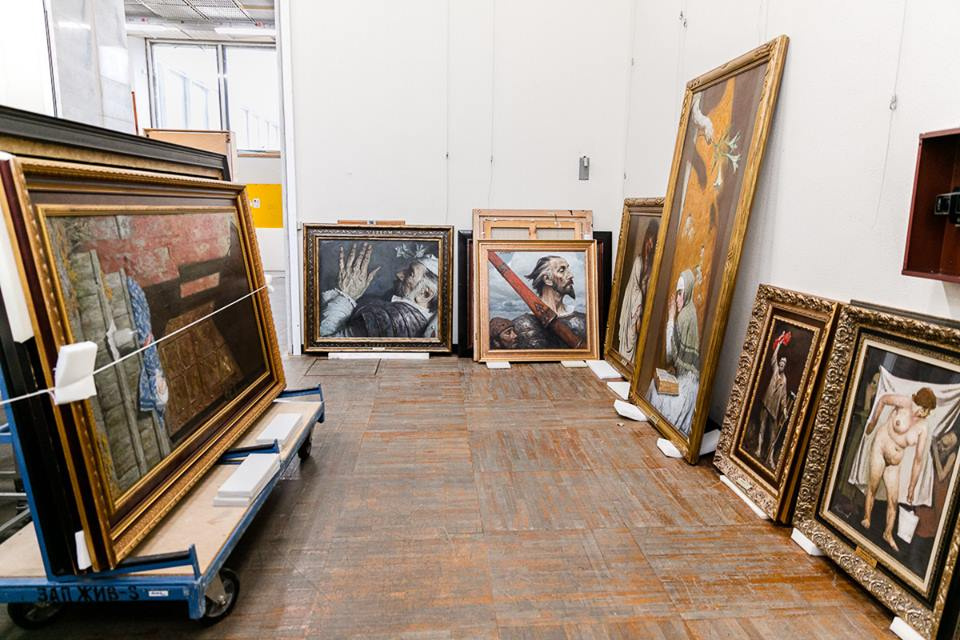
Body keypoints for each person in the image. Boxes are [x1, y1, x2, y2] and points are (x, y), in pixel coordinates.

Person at [861, 387, 936, 551]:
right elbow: (883, 399)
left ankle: (888, 533)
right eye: (926, 410)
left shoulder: (923, 427)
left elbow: (918, 460)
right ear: (921, 404)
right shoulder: (904, 402)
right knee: (873, 486)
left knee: (893, 501)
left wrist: (911, 487)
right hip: (881, 447)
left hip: (895, 462)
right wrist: (873, 422)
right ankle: (867, 518)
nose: (926, 414)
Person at [319, 243, 439, 338]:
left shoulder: (390, 320)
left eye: (410, 273)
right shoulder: (414, 318)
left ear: (425, 294)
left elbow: (328, 344)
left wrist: (345, 295)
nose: (399, 274)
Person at [646, 269, 700, 435]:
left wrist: (670, 317)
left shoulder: (683, 316)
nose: (677, 299)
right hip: (692, 384)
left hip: (686, 388)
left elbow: (670, 355)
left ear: (687, 292)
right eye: (677, 294)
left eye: (680, 294)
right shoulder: (691, 311)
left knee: (654, 388)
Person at [510, 255, 587, 349]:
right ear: (547, 279)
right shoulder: (519, 327)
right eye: (562, 270)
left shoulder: (584, 321)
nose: (571, 275)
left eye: (568, 269)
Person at [617, 220, 659, 363]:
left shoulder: (652, 264)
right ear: (646, 240)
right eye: (649, 241)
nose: (650, 246)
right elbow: (634, 287)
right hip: (633, 305)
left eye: (653, 242)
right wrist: (638, 309)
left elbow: (646, 286)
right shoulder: (639, 261)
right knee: (631, 336)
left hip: (641, 305)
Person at [756, 330, 791, 467]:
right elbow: (774, 357)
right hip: (767, 403)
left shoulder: (784, 380)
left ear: (785, 367)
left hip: (774, 409)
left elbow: (784, 397)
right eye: (780, 364)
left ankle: (770, 458)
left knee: (773, 434)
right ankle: (759, 449)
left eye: (783, 365)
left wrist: (785, 410)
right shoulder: (775, 370)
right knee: (762, 427)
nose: (781, 366)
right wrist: (779, 344)